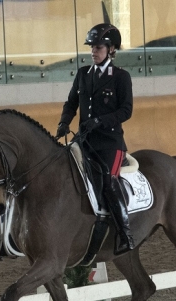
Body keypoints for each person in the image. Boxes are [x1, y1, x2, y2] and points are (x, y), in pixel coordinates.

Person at [55, 23, 135, 255]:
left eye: (98, 47)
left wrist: (100, 121)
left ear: (110, 50)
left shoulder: (120, 77)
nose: (93, 51)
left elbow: (126, 111)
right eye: (92, 47)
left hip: (110, 144)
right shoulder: (82, 74)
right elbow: (71, 103)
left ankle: (125, 234)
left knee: (109, 183)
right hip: (84, 141)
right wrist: (64, 122)